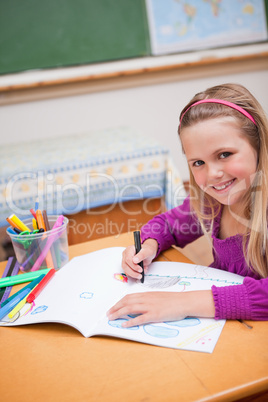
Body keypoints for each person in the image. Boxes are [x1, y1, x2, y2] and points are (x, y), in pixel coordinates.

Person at [107, 83, 268, 327]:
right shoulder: (211, 203)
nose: (213, 173)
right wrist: (149, 246)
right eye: (198, 162)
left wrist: (181, 303)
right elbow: (169, 225)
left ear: (258, 146)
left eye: (224, 154)